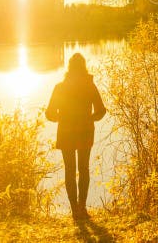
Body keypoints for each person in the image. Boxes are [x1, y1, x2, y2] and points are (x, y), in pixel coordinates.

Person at [45, 52, 106, 220]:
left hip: (65, 132)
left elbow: (49, 113)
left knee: (70, 170)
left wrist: (61, 118)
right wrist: (89, 119)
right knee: (84, 169)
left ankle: (74, 211)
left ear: (69, 68)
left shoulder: (60, 87)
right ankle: (82, 209)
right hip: (85, 131)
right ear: (84, 67)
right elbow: (101, 111)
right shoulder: (89, 86)